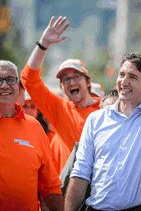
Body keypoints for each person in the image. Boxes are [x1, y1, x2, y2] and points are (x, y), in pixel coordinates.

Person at [64, 17, 141, 211]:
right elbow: (80, 173)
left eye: (132, 77)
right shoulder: (96, 119)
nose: (124, 82)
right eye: (122, 75)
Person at [21, 16, 100, 174]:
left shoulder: (106, 110)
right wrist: (43, 44)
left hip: (102, 191)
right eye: (65, 79)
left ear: (88, 82)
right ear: (62, 87)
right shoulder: (60, 110)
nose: (71, 83)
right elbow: (29, 80)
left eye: (76, 76)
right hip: (70, 193)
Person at [0, 60, 63, 210]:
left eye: (11, 80)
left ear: (18, 88)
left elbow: (49, 187)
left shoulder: (34, 127)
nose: (5, 85)